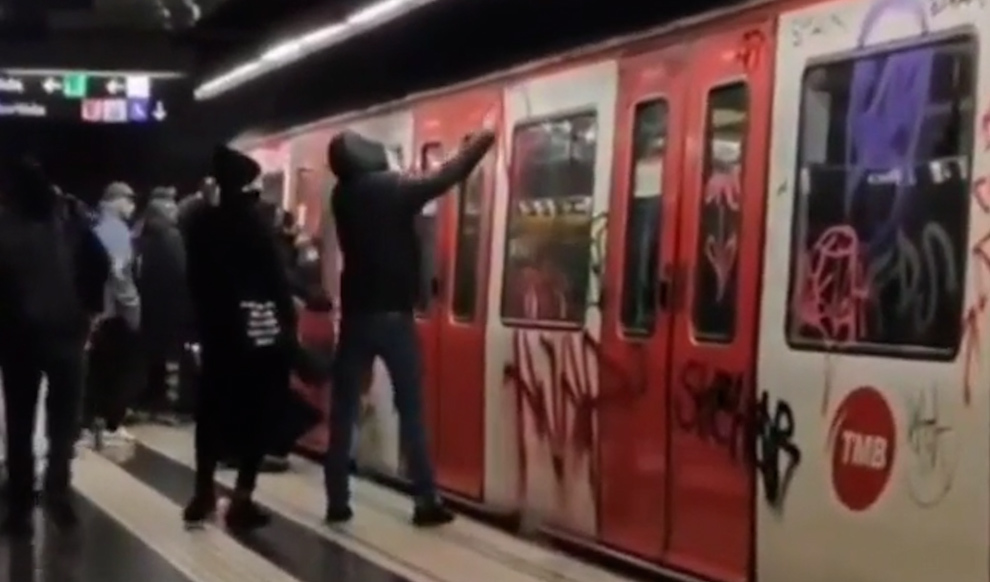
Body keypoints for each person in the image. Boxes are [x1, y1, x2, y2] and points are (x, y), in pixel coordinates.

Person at [324, 128, 495, 526]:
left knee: (343, 409)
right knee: (412, 411)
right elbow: (447, 176)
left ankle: (336, 501)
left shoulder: (342, 195)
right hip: (393, 318)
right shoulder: (389, 189)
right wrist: (481, 143)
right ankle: (425, 500)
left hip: (355, 317)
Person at [181, 146, 296, 530]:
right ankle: (242, 498)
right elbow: (276, 282)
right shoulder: (255, 226)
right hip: (253, 336)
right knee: (257, 414)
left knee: (210, 412)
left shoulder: (200, 225)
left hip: (215, 331)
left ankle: (202, 492)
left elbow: (193, 279)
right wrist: (288, 326)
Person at [0, 159, 109, 535]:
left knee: (19, 422)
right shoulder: (71, 220)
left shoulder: (4, 222)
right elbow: (100, 261)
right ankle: (58, 493)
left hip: (17, 341)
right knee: (64, 420)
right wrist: (89, 311)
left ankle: (18, 508)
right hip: (66, 335)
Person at [84, 182, 142, 445]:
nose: (132, 206)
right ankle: (111, 425)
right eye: (128, 200)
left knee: (96, 371)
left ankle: (90, 423)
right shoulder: (118, 232)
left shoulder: (95, 227)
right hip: (115, 313)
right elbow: (120, 275)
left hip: (97, 310)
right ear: (116, 200)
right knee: (118, 372)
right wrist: (133, 308)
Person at [133, 186, 188, 423]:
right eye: (171, 206)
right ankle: (165, 406)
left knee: (153, 358)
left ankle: (147, 401)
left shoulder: (140, 235)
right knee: (169, 359)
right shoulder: (172, 237)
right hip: (170, 307)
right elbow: (180, 272)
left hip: (148, 305)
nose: (175, 209)